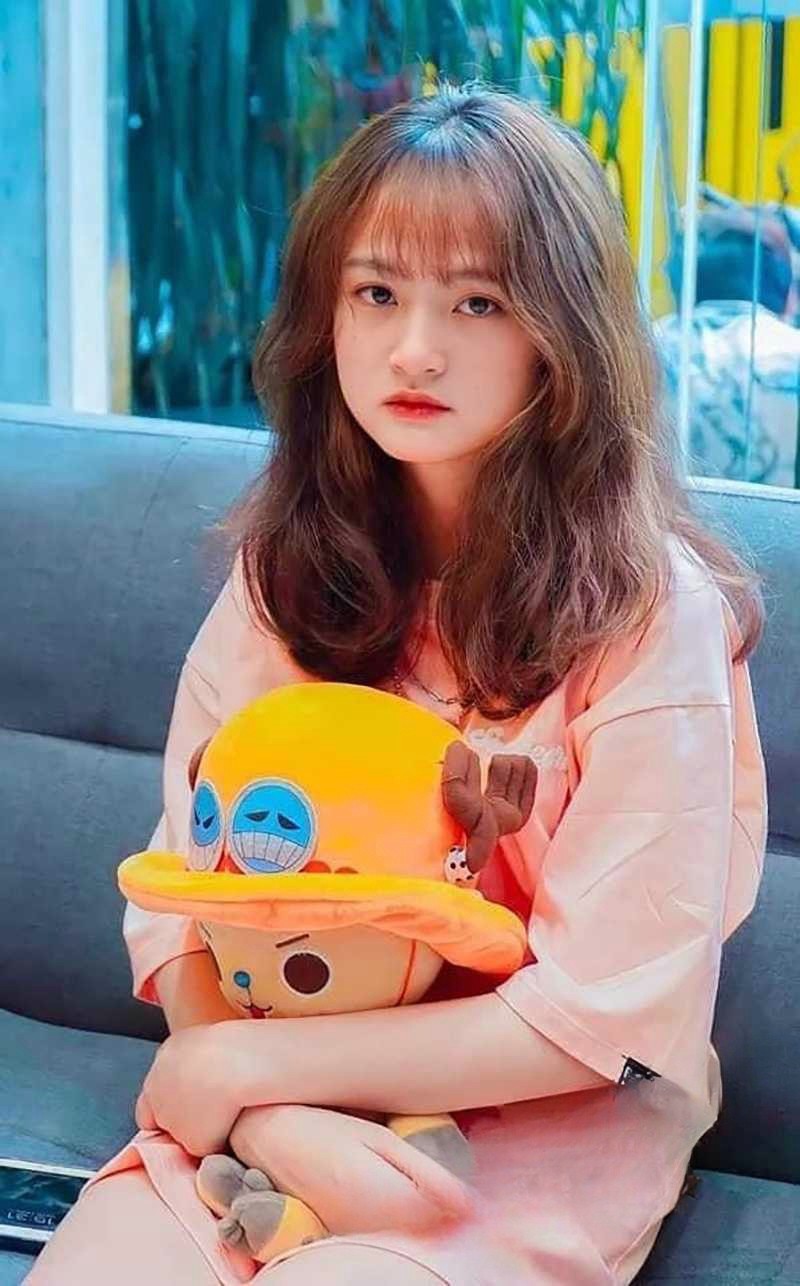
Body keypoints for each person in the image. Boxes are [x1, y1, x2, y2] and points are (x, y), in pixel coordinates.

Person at [29, 81, 767, 1285]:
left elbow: (596, 1013)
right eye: (375, 292)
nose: (414, 348)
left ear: (559, 333)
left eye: (477, 301)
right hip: (274, 1088)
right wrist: (273, 1113)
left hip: (537, 1122)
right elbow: (185, 897)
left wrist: (250, 1073)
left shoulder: (648, 614)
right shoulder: (286, 570)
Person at [656, 203, 800, 487]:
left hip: (660, 514)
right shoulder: (792, 352)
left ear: (680, 289)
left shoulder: (643, 349)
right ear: (789, 297)